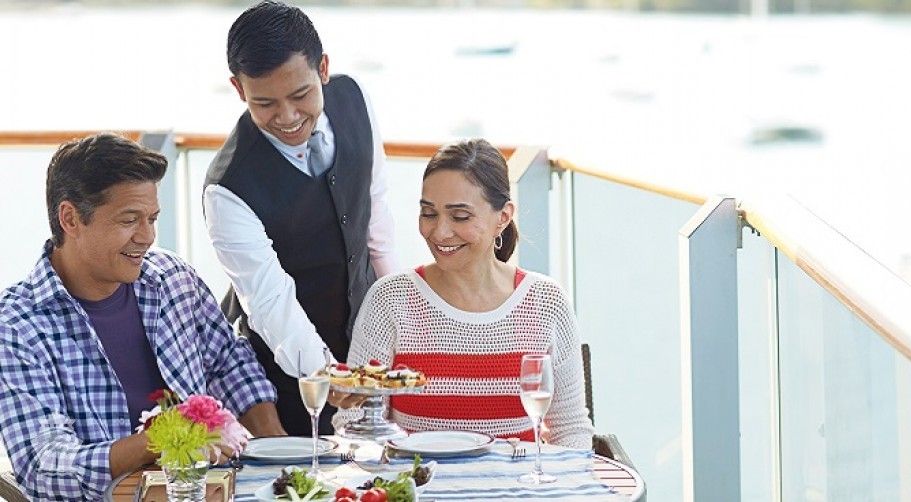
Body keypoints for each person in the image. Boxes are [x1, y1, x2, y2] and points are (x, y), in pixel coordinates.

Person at [0, 133, 284, 500]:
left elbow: (229, 363)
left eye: (152, 218)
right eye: (129, 220)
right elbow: (45, 465)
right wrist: (164, 439)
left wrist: (276, 449)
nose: (148, 236)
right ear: (70, 218)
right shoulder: (17, 326)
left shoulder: (173, 279)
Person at [204, 0, 400, 436]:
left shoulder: (354, 99)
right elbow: (269, 302)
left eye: (300, 95)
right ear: (239, 90)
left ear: (323, 68)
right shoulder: (226, 189)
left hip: (368, 350)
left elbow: (376, 219)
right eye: (265, 103)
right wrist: (325, 373)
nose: (288, 117)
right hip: (284, 379)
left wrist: (402, 320)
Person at [331, 139, 593, 450]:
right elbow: (353, 421)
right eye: (429, 213)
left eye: (460, 216)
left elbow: (571, 429)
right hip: (417, 478)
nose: (440, 232)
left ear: (503, 217)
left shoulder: (546, 301)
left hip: (516, 480)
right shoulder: (390, 299)